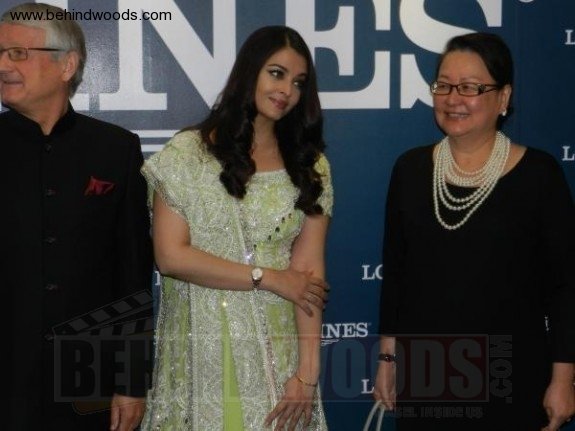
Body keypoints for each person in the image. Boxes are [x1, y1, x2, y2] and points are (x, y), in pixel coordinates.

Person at [374, 32, 575, 430]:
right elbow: (396, 273)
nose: (453, 98)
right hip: (427, 379)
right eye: (444, 85)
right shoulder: (410, 170)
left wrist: (564, 379)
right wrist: (387, 359)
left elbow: (566, 287)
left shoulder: (539, 174)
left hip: (513, 379)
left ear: (503, 98)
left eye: (470, 87)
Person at [140, 25, 332, 430]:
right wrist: (268, 278)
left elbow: (310, 275)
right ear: (250, 72)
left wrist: (307, 376)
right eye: (276, 73)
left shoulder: (310, 167)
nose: (287, 91)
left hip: (276, 355)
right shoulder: (187, 155)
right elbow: (171, 256)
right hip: (200, 344)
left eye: (298, 83)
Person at [1, 3, 153, 430]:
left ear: (66, 65)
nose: (3, 65)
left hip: (89, 381)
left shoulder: (115, 149)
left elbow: (133, 273)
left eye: (18, 53)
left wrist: (131, 380)